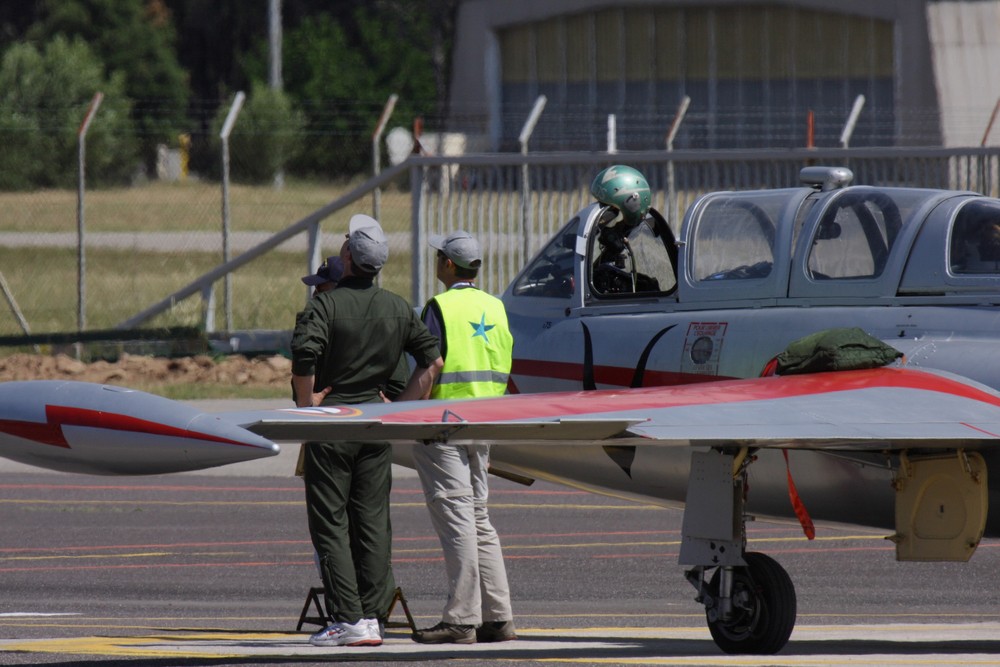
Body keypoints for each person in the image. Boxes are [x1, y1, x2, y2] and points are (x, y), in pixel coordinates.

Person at [291, 214, 443, 648]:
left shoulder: (325, 304)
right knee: (374, 521)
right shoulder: (398, 307)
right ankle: (374, 616)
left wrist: (307, 407)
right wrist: (404, 410)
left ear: (348, 257)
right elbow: (432, 362)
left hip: (333, 425)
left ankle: (349, 617)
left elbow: (305, 353)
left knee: (331, 522)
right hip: (377, 425)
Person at [410, 230, 517, 645]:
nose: (436, 261)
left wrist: (402, 407)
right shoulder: (496, 306)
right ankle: (498, 616)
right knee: (479, 519)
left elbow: (430, 366)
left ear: (448, 265)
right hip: (486, 422)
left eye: (439, 257)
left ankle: (461, 619)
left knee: (457, 520)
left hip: (445, 422)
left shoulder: (439, 307)